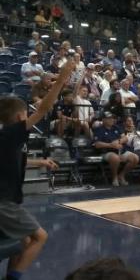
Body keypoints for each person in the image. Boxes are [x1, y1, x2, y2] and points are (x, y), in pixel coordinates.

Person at [0, 58, 74, 280]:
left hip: (7, 201)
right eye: (26, 114)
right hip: (4, 203)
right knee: (40, 237)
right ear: (20, 117)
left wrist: (40, 162)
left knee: (22, 241)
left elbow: (14, 160)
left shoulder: (6, 140)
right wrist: (61, 79)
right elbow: (43, 108)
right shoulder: (11, 133)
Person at [93, 111, 139, 186]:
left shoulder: (116, 127)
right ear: (103, 120)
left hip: (120, 151)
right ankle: (114, 178)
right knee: (115, 158)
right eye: (109, 118)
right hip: (106, 152)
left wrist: (119, 141)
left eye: (112, 118)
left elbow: (125, 138)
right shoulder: (99, 130)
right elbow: (97, 144)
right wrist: (111, 145)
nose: (112, 120)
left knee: (135, 158)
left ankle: (121, 176)